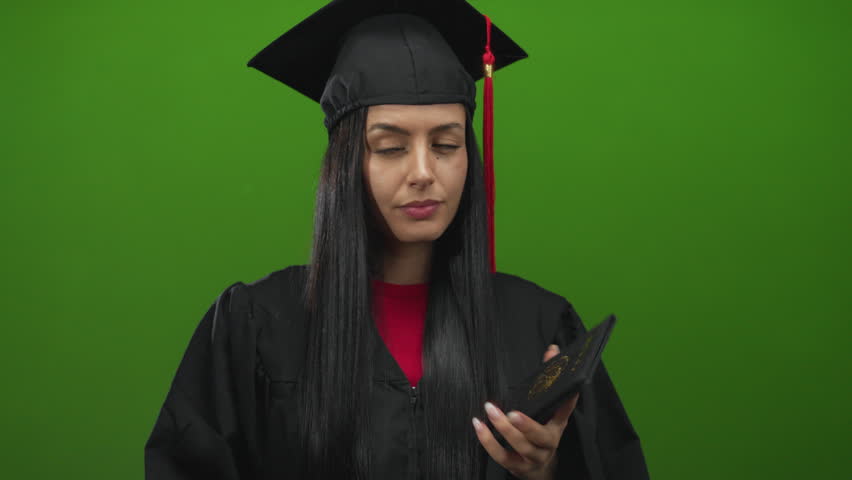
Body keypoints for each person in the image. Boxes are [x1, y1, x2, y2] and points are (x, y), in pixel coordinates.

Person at [144, 1, 649, 479]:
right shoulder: (255, 329)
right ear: (345, 167)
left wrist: (544, 472)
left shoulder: (537, 325)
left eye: (447, 144)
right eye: (390, 148)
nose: (424, 172)